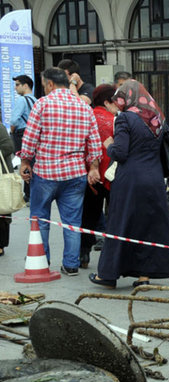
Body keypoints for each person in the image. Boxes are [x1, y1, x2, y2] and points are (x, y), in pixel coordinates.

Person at [89, 80, 169, 288]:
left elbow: (120, 152)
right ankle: (144, 276)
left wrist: (109, 145)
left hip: (130, 179)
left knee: (120, 223)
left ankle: (108, 274)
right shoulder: (157, 118)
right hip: (154, 178)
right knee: (148, 226)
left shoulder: (125, 119)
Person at [19, 67, 102, 275]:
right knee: (72, 222)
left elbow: (30, 138)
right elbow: (94, 143)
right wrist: (93, 166)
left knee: (40, 220)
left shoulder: (43, 104)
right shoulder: (83, 108)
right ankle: (71, 265)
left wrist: (25, 162)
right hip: (74, 175)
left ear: (49, 84)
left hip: (46, 172)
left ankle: (41, 261)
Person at [79, 84, 119, 269]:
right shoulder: (114, 121)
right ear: (106, 101)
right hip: (112, 175)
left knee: (89, 214)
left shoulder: (86, 116)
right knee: (113, 216)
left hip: (90, 175)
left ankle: (83, 253)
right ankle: (113, 254)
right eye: (115, 101)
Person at [10, 75, 37, 202]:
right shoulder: (36, 100)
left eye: (17, 84)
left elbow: (14, 120)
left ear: (25, 85)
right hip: (34, 134)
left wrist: (12, 131)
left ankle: (28, 193)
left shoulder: (21, 100)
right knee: (33, 162)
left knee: (25, 163)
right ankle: (32, 191)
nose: (15, 88)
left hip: (22, 133)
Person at [0, 125, 13, 257]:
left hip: (1, 177)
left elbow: (8, 146)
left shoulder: (0, 128)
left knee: (2, 211)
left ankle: (1, 244)